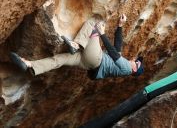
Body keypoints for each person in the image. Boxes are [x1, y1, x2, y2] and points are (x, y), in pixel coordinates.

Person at [10, 14, 144, 79]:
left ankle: (76, 44)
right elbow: (118, 48)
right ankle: (29, 65)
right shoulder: (124, 67)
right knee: (60, 60)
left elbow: (114, 54)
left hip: (96, 59)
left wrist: (102, 34)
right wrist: (120, 25)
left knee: (95, 22)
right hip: (88, 63)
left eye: (136, 62)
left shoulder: (127, 68)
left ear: (135, 68)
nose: (134, 59)